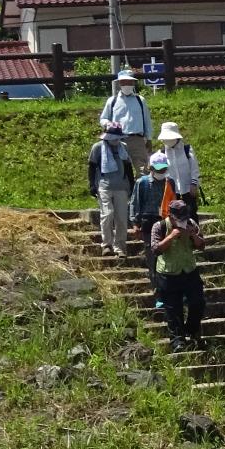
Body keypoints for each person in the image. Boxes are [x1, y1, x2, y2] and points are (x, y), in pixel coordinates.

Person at [150, 199, 206, 348]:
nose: (182, 221)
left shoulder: (191, 224)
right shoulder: (159, 226)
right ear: (171, 216)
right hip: (168, 273)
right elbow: (155, 249)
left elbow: (202, 246)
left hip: (189, 270)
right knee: (173, 309)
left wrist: (193, 235)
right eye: (179, 218)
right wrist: (171, 236)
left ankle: (192, 330)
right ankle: (177, 340)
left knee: (198, 302)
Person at [86, 121, 137, 257]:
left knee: (121, 218)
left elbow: (128, 167)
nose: (116, 140)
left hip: (121, 187)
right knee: (107, 214)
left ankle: (120, 246)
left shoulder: (123, 147)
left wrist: (131, 185)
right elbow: (91, 166)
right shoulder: (97, 148)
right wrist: (92, 185)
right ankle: (107, 244)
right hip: (104, 186)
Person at [131, 150, 174, 281]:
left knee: (168, 252)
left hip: (165, 221)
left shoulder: (169, 182)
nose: (162, 172)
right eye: (159, 169)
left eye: (164, 169)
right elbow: (135, 203)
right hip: (148, 220)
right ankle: (155, 283)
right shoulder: (142, 182)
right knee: (151, 253)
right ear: (151, 168)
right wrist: (135, 223)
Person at [102, 69, 152, 171]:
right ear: (120, 83)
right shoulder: (112, 101)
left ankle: (141, 186)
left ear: (134, 83)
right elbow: (103, 118)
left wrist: (149, 138)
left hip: (137, 139)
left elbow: (147, 120)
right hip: (117, 140)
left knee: (142, 170)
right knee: (121, 170)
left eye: (130, 82)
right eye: (124, 81)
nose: (127, 84)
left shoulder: (140, 100)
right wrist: (108, 124)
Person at [157, 121, 201, 210]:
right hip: (171, 191)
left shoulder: (187, 150)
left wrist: (194, 183)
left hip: (187, 189)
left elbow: (194, 169)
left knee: (191, 213)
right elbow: (161, 173)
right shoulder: (161, 153)